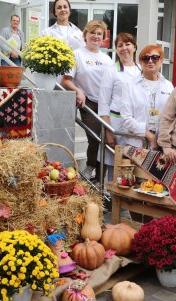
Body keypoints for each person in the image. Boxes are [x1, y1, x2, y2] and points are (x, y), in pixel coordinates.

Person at [61, 20, 114, 182]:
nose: (96, 36)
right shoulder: (77, 54)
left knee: (107, 141)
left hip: (107, 105)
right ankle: (91, 166)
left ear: (103, 37)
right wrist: (78, 91)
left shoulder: (107, 59)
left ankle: (99, 178)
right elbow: (66, 80)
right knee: (95, 139)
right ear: (85, 35)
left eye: (99, 34)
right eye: (92, 33)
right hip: (89, 103)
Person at [97, 33, 141, 182]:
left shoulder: (141, 71)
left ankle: (130, 204)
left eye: (127, 44)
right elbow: (103, 103)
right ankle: (113, 203)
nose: (124, 48)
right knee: (115, 169)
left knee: (134, 166)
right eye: (120, 45)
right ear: (116, 50)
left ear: (134, 47)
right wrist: (109, 131)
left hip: (135, 127)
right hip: (116, 126)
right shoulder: (111, 71)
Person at [121, 44, 174, 151]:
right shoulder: (130, 85)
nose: (150, 61)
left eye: (155, 57)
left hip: (163, 145)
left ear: (161, 61)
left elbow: (173, 116)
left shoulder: (168, 85)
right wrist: (149, 136)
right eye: (145, 58)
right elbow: (126, 119)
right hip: (137, 143)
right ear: (140, 62)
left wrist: (162, 138)